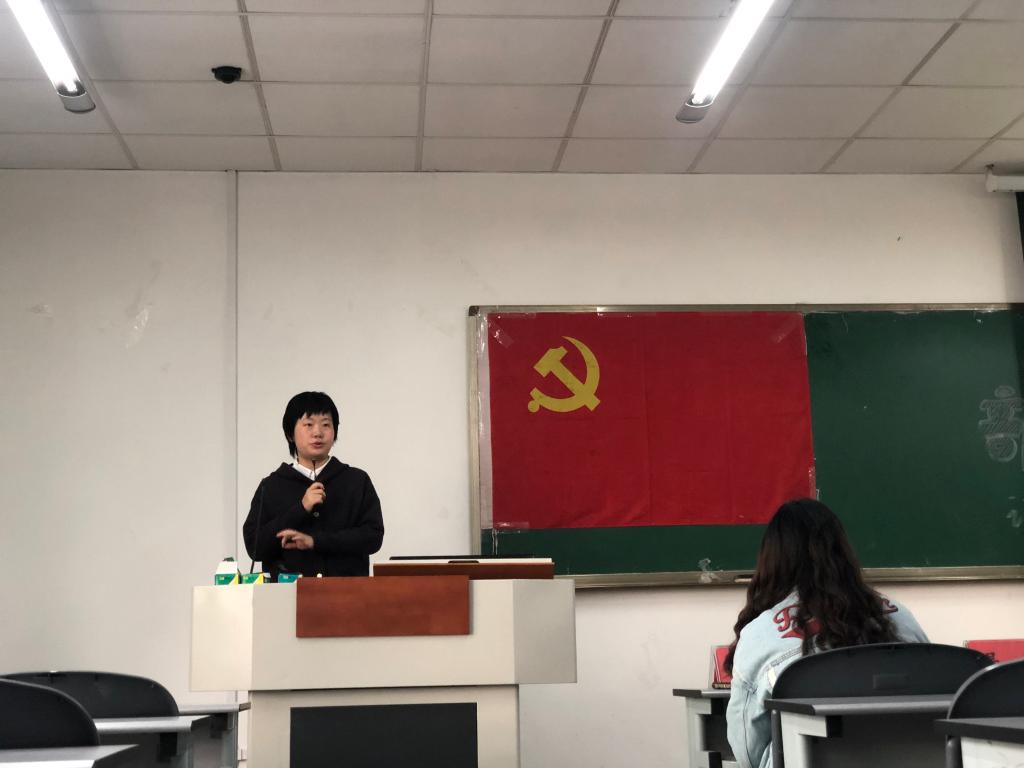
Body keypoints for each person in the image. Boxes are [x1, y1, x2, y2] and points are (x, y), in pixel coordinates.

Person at [724, 498, 928, 768]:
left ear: (771, 561)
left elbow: (748, 754)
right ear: (843, 552)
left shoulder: (760, 634)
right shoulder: (902, 618)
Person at [243, 391, 384, 577]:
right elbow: (255, 547)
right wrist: (301, 508)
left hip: (347, 592)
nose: (318, 433)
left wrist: (315, 541)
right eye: (308, 425)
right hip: (289, 593)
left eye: (326, 424)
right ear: (290, 434)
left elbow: (373, 537)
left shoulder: (356, 480)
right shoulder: (270, 486)